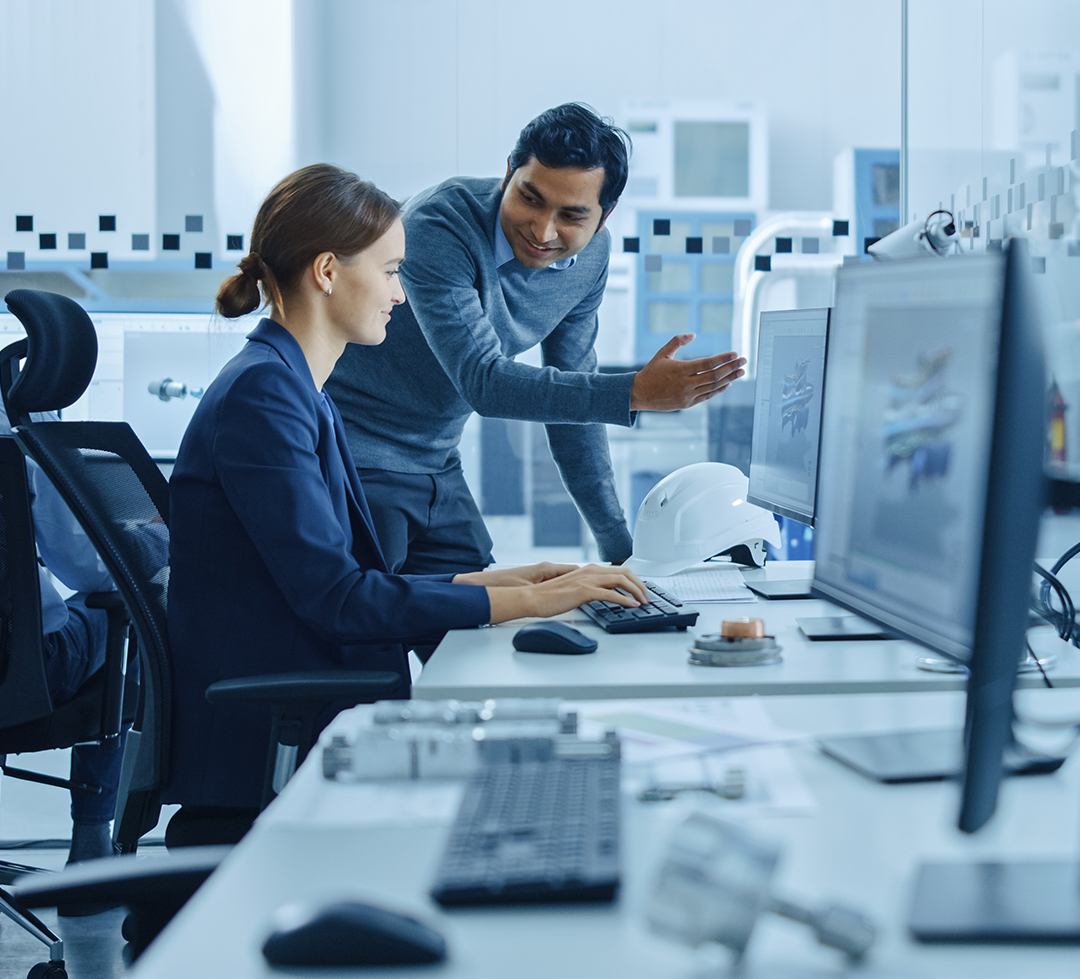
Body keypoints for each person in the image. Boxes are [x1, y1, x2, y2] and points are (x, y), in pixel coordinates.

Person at [164, 163, 650, 817]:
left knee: (558, 769)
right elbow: (342, 601)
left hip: (317, 725)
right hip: (275, 758)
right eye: (392, 271)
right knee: (546, 788)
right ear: (328, 273)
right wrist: (538, 597)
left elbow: (354, 582)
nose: (401, 294)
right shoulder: (264, 399)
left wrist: (524, 582)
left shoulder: (292, 387)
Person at [326, 102, 746, 579]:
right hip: (356, 455)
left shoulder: (590, 260)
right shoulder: (438, 226)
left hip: (437, 459)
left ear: (603, 219)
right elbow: (483, 382)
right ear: (508, 174)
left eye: (571, 215)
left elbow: (575, 404)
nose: (542, 230)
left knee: (478, 627)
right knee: (372, 636)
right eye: (530, 198)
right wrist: (632, 393)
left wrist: (622, 552)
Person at [0, 404, 126, 874]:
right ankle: (92, 850)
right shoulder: (15, 418)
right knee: (127, 605)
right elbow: (90, 567)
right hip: (18, 674)